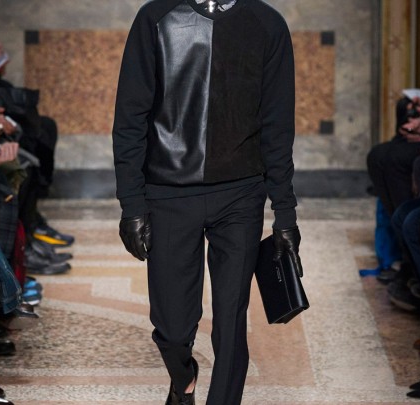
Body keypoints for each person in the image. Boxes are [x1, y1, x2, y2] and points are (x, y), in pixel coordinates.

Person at [113, 0, 301, 404]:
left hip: (241, 193)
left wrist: (284, 212)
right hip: (168, 192)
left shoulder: (267, 24)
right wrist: (132, 204)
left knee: (231, 320)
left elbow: (278, 126)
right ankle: (183, 377)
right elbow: (130, 117)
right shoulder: (155, 17)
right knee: (171, 328)